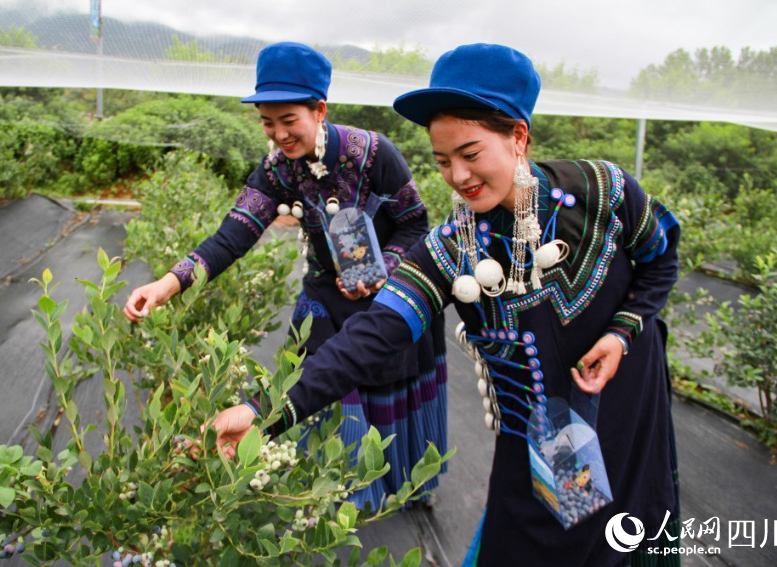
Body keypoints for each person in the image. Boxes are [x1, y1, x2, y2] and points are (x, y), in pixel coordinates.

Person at [212, 43, 681, 566]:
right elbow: (372, 336)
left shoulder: (604, 191)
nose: (457, 176)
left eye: (471, 154)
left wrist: (622, 332)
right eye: (442, 161)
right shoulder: (450, 249)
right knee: (541, 544)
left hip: (629, 401)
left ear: (517, 136)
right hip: (544, 439)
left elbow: (660, 260)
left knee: (636, 529)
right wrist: (263, 413)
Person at [123, 42, 448, 509]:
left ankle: (401, 487)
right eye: (267, 122)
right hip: (325, 297)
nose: (278, 134)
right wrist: (167, 284)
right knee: (315, 388)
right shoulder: (276, 170)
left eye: (287, 120)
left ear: (319, 109)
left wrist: (384, 270)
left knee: (385, 392)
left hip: (389, 297)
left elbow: (416, 222)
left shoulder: (374, 153)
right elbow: (232, 236)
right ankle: (334, 491)